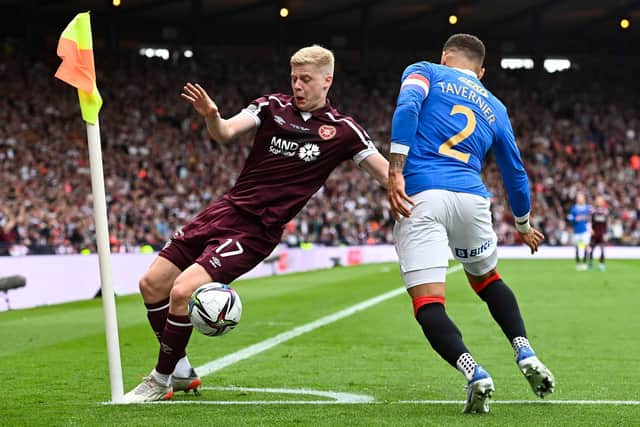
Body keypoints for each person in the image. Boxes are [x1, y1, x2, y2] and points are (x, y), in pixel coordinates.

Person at [123, 45, 389, 403]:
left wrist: (425, 189)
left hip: (256, 230)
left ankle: (160, 380)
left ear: (327, 81)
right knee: (151, 283)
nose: (298, 85)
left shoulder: (343, 131)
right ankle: (182, 371)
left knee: (183, 291)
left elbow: (385, 175)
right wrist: (212, 116)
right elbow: (226, 133)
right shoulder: (271, 106)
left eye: (306, 79)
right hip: (225, 209)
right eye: (294, 78)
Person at [387, 34, 555, 414]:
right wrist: (523, 224)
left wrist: (396, 169)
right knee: (488, 281)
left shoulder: (424, 71)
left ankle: (474, 371)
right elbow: (515, 172)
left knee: (429, 302)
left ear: (445, 57)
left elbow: (408, 106)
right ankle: (524, 350)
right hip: (472, 198)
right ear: (480, 72)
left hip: (423, 196)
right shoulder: (495, 106)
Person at [567, 193, 592, 271]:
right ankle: (578, 263)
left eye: (581, 197)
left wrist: (591, 228)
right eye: (579, 198)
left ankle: (584, 263)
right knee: (577, 248)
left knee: (585, 247)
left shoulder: (588, 208)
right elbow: (569, 218)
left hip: (585, 231)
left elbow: (592, 218)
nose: (580, 199)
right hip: (576, 231)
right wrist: (575, 219)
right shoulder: (574, 208)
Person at [588, 195, 609, 271]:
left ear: (603, 202)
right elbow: (590, 221)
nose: (599, 202)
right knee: (592, 249)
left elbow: (606, 223)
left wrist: (606, 233)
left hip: (602, 233)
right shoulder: (593, 210)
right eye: (598, 201)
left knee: (602, 249)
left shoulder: (605, 211)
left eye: (600, 201)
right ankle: (590, 263)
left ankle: (601, 264)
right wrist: (590, 229)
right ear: (596, 202)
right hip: (594, 232)